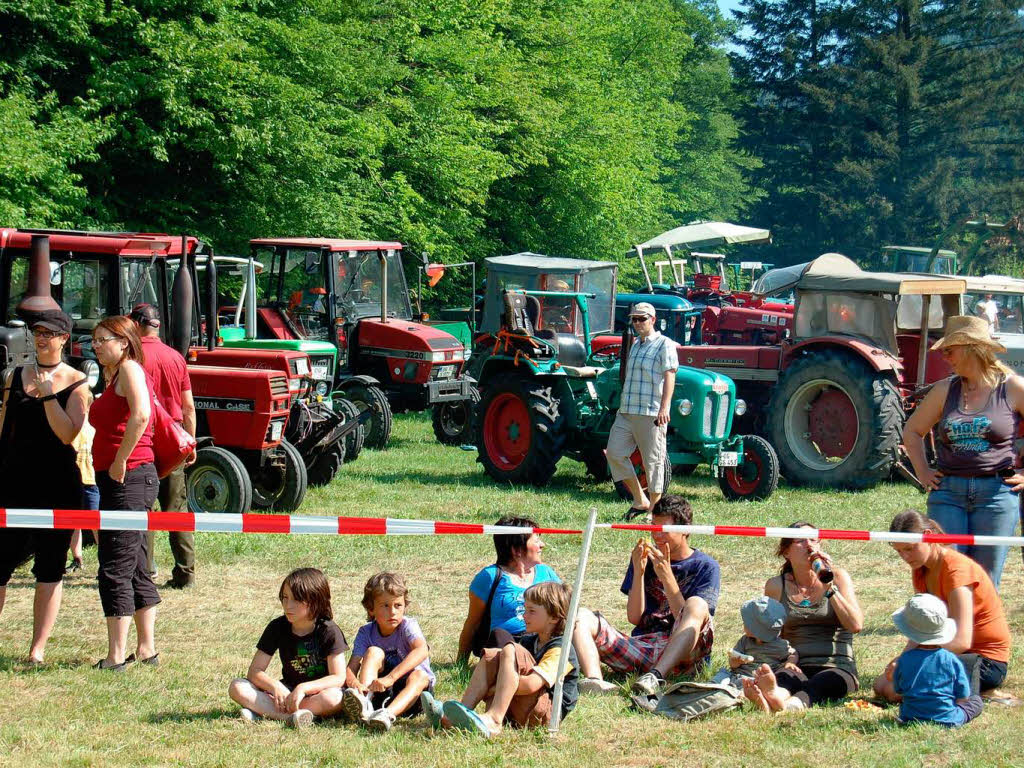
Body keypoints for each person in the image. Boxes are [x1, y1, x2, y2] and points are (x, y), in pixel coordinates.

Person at [902, 315, 1024, 589]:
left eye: (949, 350)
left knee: (985, 579)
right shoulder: (945, 390)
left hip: (997, 494)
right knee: (948, 571)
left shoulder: (1013, 387)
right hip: (948, 494)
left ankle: (978, 629)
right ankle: (952, 629)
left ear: (971, 348)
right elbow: (912, 432)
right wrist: (922, 471)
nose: (945, 357)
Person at [0, 309, 89, 664]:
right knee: (0, 563)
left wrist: (50, 395)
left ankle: (37, 649)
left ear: (64, 339)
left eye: (49, 334)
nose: (41, 338)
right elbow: (4, 424)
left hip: (57, 487)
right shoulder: (14, 375)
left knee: (50, 568)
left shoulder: (78, 382)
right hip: (11, 483)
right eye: (38, 332)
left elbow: (70, 433)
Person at [573, 495, 720, 699]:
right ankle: (596, 681)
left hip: (685, 654)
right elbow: (635, 617)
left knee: (696, 604)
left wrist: (667, 577)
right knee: (581, 616)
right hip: (645, 646)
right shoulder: (645, 559)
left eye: (664, 529)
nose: (656, 535)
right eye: (653, 527)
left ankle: (655, 676)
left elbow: (689, 620)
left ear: (685, 529)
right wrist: (639, 571)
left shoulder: (705, 566)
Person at [873, 510, 1011, 700]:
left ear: (928, 537)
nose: (905, 557)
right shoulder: (920, 569)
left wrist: (915, 662)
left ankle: (977, 690)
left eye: (910, 548)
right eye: (899, 551)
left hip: (984, 661)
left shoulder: (956, 570)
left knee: (893, 691)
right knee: (880, 685)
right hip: (951, 654)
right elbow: (922, 627)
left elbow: (962, 641)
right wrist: (903, 660)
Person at [89, 315, 160, 670]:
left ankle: (116, 655)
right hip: (126, 478)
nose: (96, 345)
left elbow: (142, 415)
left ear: (124, 341)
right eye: (95, 340)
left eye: (103, 339)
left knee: (114, 565)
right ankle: (146, 649)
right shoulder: (116, 374)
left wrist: (120, 460)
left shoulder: (130, 369)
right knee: (133, 564)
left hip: (128, 478)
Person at [743, 522, 863, 713]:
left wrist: (829, 588)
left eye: (814, 540)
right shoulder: (776, 586)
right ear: (786, 552)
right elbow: (768, 634)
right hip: (795, 663)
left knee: (821, 684)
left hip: (836, 664)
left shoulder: (838, 578)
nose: (809, 545)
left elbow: (856, 624)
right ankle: (773, 697)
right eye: (800, 541)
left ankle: (791, 706)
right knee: (784, 680)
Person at [433, 582, 578, 737]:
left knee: (510, 649)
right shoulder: (530, 641)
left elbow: (531, 684)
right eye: (525, 609)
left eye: (532, 611)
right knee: (492, 656)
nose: (524, 615)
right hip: (521, 708)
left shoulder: (561, 650)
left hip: (544, 714)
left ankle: (495, 719)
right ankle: (459, 713)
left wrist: (493, 687)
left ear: (554, 617)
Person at [129, 304, 197, 589]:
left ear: (136, 324)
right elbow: (189, 407)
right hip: (174, 439)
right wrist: (190, 442)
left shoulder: (132, 357)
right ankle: (185, 574)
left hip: (142, 438)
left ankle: (145, 571)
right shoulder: (176, 357)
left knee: (142, 507)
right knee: (176, 510)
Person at [228, 568, 348, 728]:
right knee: (237, 687)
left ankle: (268, 713)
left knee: (334, 698)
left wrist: (303, 688)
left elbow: (338, 678)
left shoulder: (329, 631)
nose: (288, 605)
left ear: (316, 600)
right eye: (285, 598)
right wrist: (275, 686)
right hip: (286, 693)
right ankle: (296, 717)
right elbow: (255, 671)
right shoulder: (276, 627)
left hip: (318, 694)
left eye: (296, 600)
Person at [605, 301, 678, 515]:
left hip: (651, 411)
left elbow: (670, 376)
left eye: (642, 319)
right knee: (615, 453)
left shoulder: (665, 344)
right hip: (627, 410)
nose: (637, 323)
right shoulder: (635, 344)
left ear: (653, 320)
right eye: (634, 319)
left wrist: (665, 408)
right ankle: (640, 499)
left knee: (653, 461)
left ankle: (655, 510)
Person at [456, 516, 561, 661]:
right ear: (517, 550)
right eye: (536, 540)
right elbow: (473, 623)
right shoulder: (490, 576)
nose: (542, 545)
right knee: (499, 636)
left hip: (541, 641)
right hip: (505, 644)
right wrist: (461, 661)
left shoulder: (546, 573)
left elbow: (564, 610)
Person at [341, 572, 435, 731]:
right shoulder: (366, 632)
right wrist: (354, 683)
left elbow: (422, 650)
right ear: (371, 609)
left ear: (405, 606)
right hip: (380, 692)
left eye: (398, 605)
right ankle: (365, 704)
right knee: (373, 652)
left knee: (419, 675)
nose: (392, 612)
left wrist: (391, 678)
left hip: (413, 696)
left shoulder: (408, 626)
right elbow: (351, 668)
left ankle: (386, 715)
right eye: (385, 606)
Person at [888, 593, 984, 728]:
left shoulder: (904, 660)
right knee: (976, 702)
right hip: (948, 718)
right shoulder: (951, 659)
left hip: (910, 717)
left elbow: (899, 689)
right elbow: (963, 693)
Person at [710, 596, 797, 687]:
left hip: (757, 680)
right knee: (723, 673)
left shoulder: (780, 645)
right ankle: (714, 685)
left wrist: (790, 662)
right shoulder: (745, 641)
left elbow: (794, 654)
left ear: (755, 630)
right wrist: (737, 661)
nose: (743, 624)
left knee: (755, 685)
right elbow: (732, 664)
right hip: (736, 675)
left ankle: (733, 690)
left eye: (746, 623)